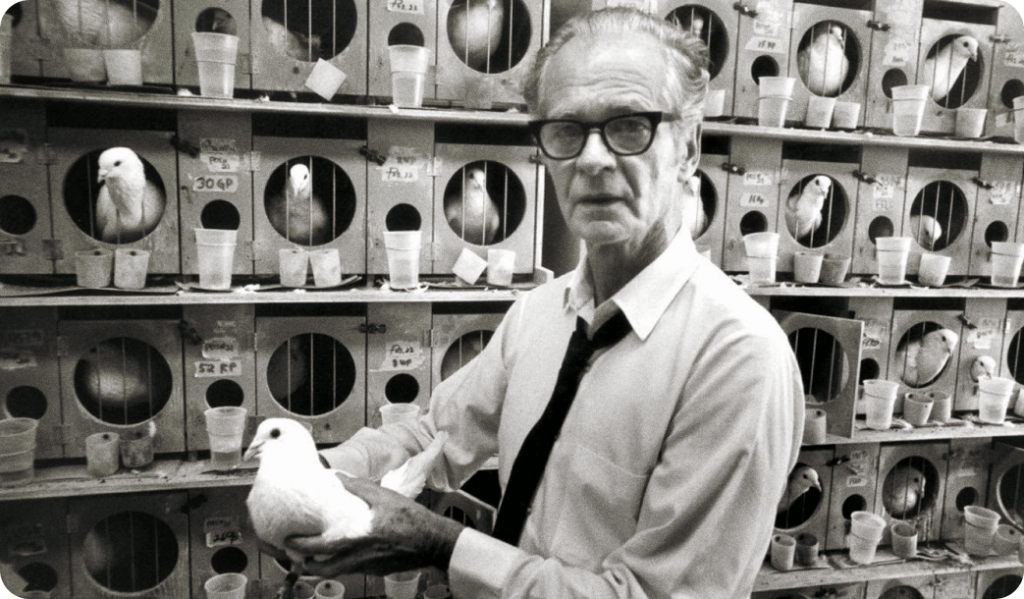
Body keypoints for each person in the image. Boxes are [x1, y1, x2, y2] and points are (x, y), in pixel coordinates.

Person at [285, 7, 805, 598]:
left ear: (688, 148)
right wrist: (315, 476)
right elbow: (432, 438)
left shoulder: (738, 359)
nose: (592, 159)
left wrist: (440, 545)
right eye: (566, 131)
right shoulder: (537, 316)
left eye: (628, 126)